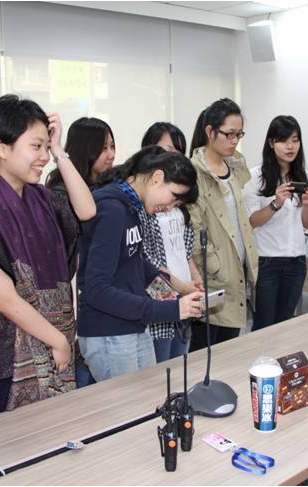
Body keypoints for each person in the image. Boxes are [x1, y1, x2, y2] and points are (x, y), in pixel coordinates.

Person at [0, 95, 96, 420]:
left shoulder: (42, 198)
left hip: (54, 345)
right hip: (12, 360)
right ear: (2, 147)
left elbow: (87, 209)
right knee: (8, 453)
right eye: (36, 147)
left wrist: (60, 151)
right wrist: (58, 340)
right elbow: (5, 298)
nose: (43, 157)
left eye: (45, 147)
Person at [77, 146, 205, 381]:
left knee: (149, 404)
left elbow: (136, 264)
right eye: (173, 198)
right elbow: (97, 289)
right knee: (127, 413)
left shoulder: (133, 208)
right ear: (157, 178)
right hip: (109, 333)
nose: (170, 208)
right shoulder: (112, 209)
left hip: (132, 326)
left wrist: (177, 291)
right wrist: (172, 309)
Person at [45, 117, 114, 386]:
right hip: (72, 292)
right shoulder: (61, 193)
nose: (110, 155)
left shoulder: (106, 188)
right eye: (103, 148)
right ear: (86, 149)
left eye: (112, 146)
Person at [188, 98, 259, 349]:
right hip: (213, 277)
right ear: (210, 131)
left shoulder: (235, 167)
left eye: (239, 134)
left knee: (229, 351)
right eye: (229, 134)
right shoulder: (194, 173)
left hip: (237, 268)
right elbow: (194, 231)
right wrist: (213, 267)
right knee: (205, 354)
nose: (234, 141)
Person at [244, 115, 308, 330]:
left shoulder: (302, 176)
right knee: (264, 324)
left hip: (296, 261)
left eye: (295, 140)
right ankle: (260, 363)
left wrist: (306, 204)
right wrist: (275, 204)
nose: (290, 146)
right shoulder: (255, 177)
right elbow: (251, 222)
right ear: (271, 143)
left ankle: (279, 363)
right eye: (284, 140)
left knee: (285, 325)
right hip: (267, 262)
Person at [140, 123, 203, 362]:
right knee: (160, 370)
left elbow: (185, 249)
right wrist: (178, 287)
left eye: (178, 152)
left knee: (181, 366)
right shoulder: (144, 199)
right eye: (166, 150)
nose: (172, 158)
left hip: (183, 295)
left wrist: (194, 279)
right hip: (159, 297)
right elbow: (147, 259)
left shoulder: (181, 198)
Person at [46, 117, 115, 189]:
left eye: (112, 146)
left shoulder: (112, 183)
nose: (112, 155)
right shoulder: (62, 189)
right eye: (104, 148)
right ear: (84, 150)